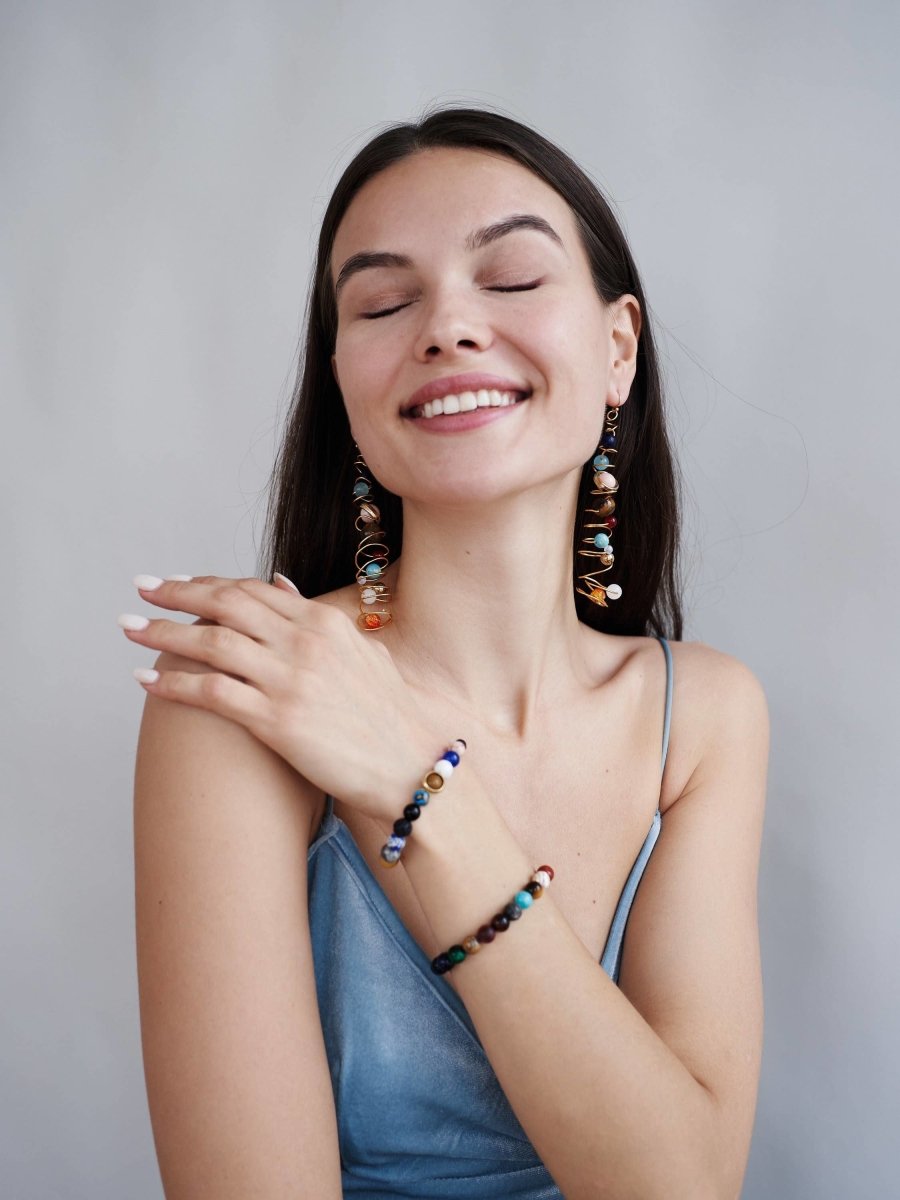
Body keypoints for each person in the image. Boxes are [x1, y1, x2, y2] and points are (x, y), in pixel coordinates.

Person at [122, 105, 770, 1199]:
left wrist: (418, 785)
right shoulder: (241, 697)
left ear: (618, 348)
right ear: (343, 378)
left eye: (510, 279)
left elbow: (683, 1188)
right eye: (384, 302)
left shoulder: (702, 717)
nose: (448, 327)